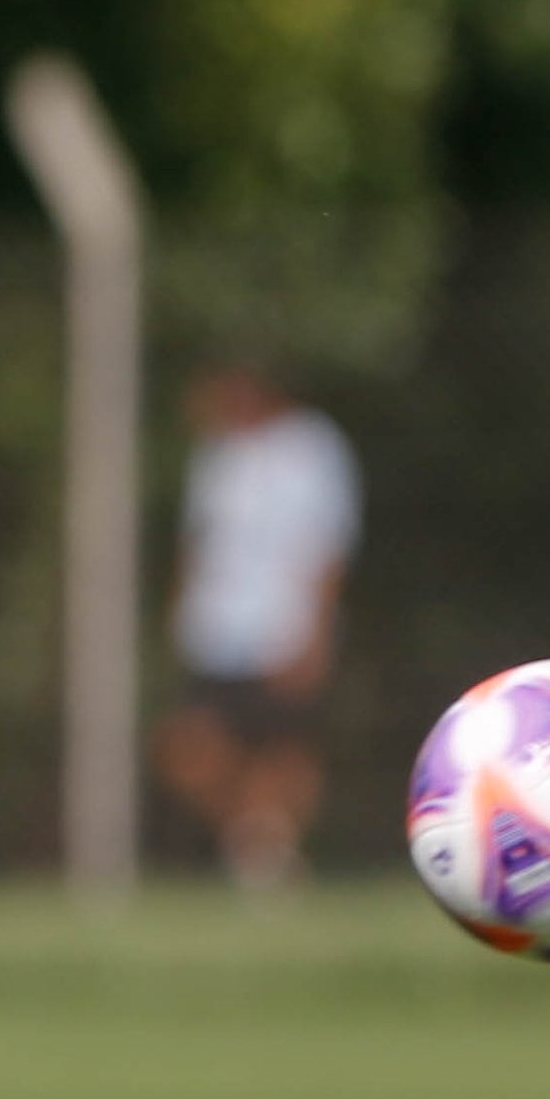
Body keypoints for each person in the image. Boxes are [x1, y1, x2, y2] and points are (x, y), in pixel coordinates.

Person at [154, 361, 360, 890]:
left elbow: (327, 544)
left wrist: (315, 627)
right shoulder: (218, 454)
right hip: (218, 628)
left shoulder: (311, 447)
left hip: (281, 625)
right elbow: (198, 541)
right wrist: (182, 608)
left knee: (281, 750)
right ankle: (259, 843)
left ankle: (267, 860)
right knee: (189, 747)